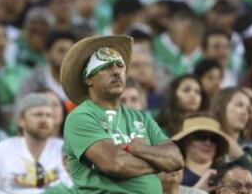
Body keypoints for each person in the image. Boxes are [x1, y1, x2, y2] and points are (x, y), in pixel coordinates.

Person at [60, 35, 184, 193]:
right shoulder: (81, 117)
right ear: (89, 79)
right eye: (106, 67)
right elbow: (115, 163)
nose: (116, 72)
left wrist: (131, 148)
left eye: (120, 66)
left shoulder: (141, 117)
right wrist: (158, 163)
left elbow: (175, 159)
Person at [0, 93, 72, 194]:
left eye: (48, 115)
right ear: (21, 120)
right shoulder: (1, 150)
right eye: (38, 114)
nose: (44, 120)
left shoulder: (66, 149)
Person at [211, 87, 252, 194]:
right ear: (220, 107)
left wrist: (240, 157)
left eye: (247, 108)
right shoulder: (206, 144)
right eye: (239, 105)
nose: (245, 112)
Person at [172, 116, 230, 193]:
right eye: (201, 137)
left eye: (214, 139)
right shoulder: (172, 173)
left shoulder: (227, 173)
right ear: (186, 140)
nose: (208, 143)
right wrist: (197, 191)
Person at [17, 32, 76, 102]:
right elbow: (20, 107)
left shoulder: (79, 80)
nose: (66, 56)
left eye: (70, 51)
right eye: (61, 51)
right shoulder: (33, 80)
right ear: (47, 53)